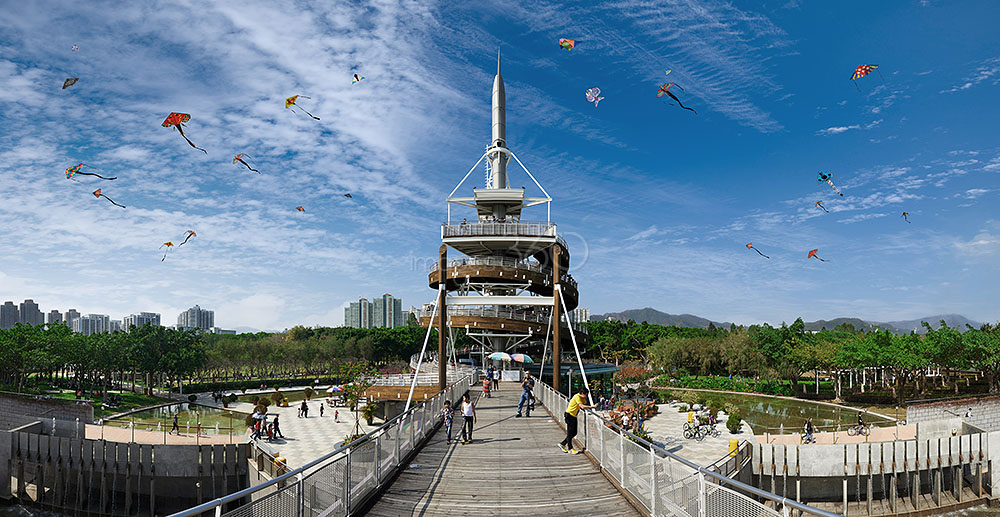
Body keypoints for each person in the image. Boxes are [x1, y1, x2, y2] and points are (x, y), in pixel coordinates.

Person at [560, 388, 596, 454]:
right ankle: (570, 448)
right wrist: (592, 407)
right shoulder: (577, 397)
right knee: (570, 433)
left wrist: (585, 400)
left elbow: (584, 403)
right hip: (569, 415)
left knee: (574, 433)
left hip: (573, 416)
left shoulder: (582, 398)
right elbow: (582, 406)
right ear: (582, 393)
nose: (586, 396)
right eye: (586, 394)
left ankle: (563, 444)